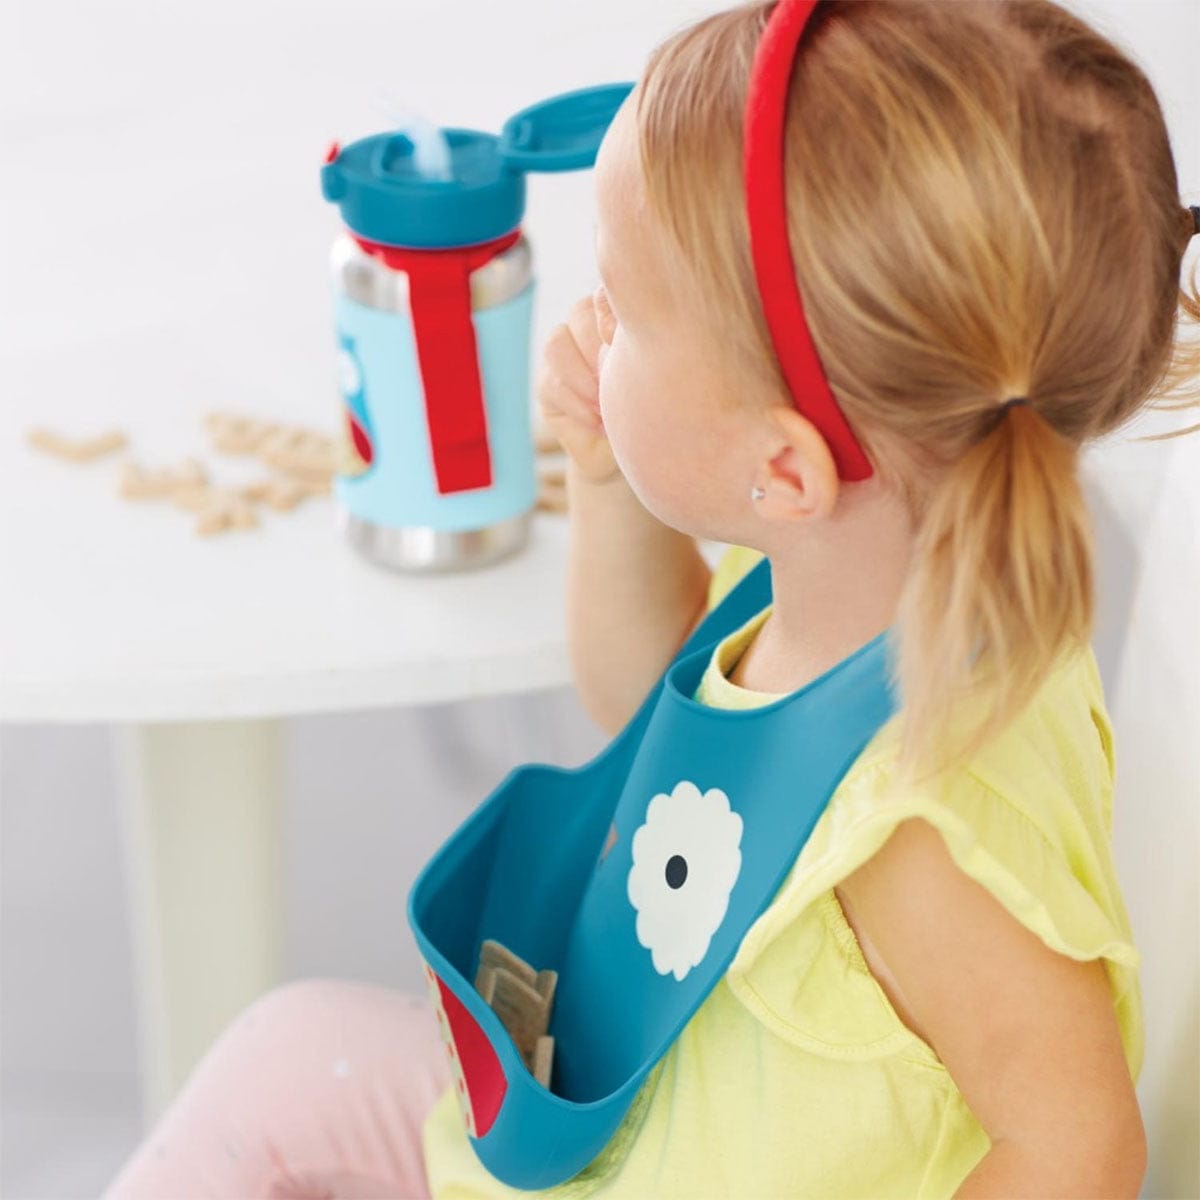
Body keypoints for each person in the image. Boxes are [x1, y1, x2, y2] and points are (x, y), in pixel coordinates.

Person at [106, 1, 1200, 1196]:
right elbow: (653, 702)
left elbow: (1081, 1142)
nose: (592, 323)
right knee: (285, 1056)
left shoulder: (921, 837)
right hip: (629, 1136)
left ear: (784, 467)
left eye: (625, 310)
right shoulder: (838, 575)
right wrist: (609, 480)